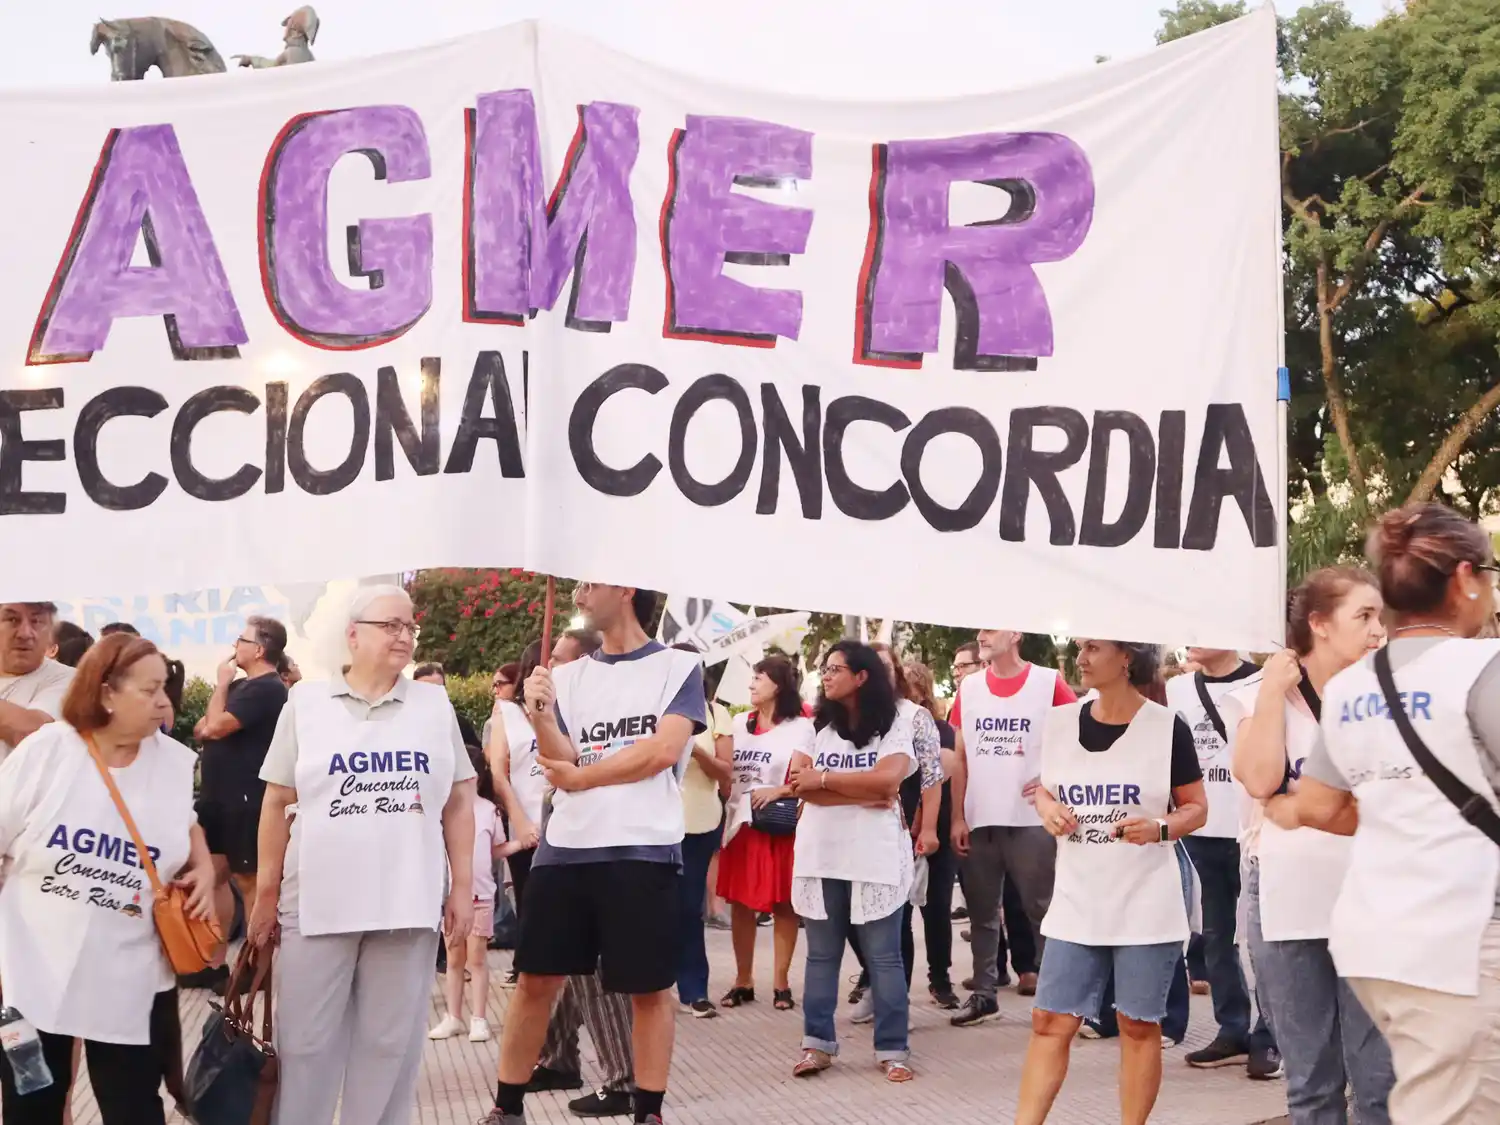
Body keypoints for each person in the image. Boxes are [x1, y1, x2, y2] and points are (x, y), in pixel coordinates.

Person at [1292, 504, 1500, 1124]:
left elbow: (1320, 803)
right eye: (1488, 572)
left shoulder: (1354, 685)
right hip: (1460, 937)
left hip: (1374, 936)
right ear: (1465, 578)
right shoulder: (1481, 667)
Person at [249, 585, 477, 1125]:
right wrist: (264, 894)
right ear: (352, 635)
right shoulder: (305, 703)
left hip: (406, 901)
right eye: (390, 625)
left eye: (409, 626)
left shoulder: (432, 704)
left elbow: (460, 800)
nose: (404, 635)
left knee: (388, 1047)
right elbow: (276, 799)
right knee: (304, 1045)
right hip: (316, 903)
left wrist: (463, 888)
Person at [485, 583, 705, 1125]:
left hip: (645, 847)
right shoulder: (564, 677)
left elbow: (662, 750)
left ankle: (647, 1110)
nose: (579, 593)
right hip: (567, 850)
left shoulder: (679, 667)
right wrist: (540, 716)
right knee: (536, 979)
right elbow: (561, 757)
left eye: (590, 583)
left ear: (625, 589)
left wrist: (584, 776)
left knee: (650, 989)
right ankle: (506, 1108)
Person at [0, 633, 216, 1125]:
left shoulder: (172, 763)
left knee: (135, 1108)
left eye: (165, 688)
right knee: (29, 1104)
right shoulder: (49, 751)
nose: (165, 704)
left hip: (130, 981)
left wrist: (201, 865)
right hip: (29, 979)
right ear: (105, 693)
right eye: (149, 690)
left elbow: (183, 822)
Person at [1015, 640, 1207, 1125]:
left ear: (1127, 658)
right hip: (1077, 899)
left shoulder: (1166, 728)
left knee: (1139, 1026)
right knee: (1049, 1021)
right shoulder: (1060, 723)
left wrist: (1159, 827)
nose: (1080, 658)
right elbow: (1044, 790)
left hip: (1146, 903)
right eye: (1080, 647)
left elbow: (1197, 809)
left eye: (1093, 648)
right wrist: (1048, 809)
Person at [1231, 567, 1395, 1125]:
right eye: (1365, 616)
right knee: (1313, 1085)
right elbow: (1259, 782)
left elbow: (1389, 805)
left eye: (1381, 616)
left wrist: (1302, 805)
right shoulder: (1259, 695)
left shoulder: (1389, 695)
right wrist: (1274, 693)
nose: (1379, 630)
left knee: (1379, 1083)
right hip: (1286, 898)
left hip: (1373, 900)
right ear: (1320, 624)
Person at [788, 640, 916, 1084]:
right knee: (822, 956)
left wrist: (825, 780)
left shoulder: (899, 721)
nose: (825, 675)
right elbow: (798, 785)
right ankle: (816, 1046)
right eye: (824, 668)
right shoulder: (815, 724)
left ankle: (893, 1050)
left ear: (861, 677)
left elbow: (889, 780)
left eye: (835, 668)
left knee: (884, 958)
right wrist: (862, 789)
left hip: (874, 854)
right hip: (821, 850)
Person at [948, 629, 1076, 1025]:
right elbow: (958, 756)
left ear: (1015, 633)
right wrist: (956, 816)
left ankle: (1062, 998)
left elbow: (1079, 734)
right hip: (980, 815)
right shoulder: (969, 687)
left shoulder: (1047, 682)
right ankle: (985, 994)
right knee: (983, 913)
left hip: (1030, 818)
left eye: (990, 628)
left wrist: (1055, 780)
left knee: (1044, 910)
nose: (981, 636)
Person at [1163, 646, 1280, 1077]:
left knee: (1263, 942)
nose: (1193, 638)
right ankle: (1231, 1029)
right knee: (1216, 938)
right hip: (1203, 831)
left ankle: (1270, 1037)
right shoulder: (1177, 689)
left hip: (1253, 829)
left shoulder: (1265, 682)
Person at [845, 643, 943, 1020]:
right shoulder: (848, 716)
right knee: (854, 917)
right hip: (850, 829)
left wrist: (929, 827)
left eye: (884, 665)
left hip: (898, 829)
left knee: (895, 919)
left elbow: (933, 776)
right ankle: (873, 980)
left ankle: (894, 1005)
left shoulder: (914, 716)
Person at [718, 655, 813, 1011]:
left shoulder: (801, 728)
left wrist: (779, 791)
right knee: (740, 905)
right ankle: (743, 980)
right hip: (739, 826)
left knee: (784, 904)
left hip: (777, 825)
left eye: (760, 677)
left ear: (779, 684)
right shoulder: (739, 723)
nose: (752, 683)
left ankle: (781, 984)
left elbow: (802, 779)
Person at [430, 743, 526, 1043]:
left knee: (478, 960)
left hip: (481, 897)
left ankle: (479, 1018)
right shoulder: (442, 811)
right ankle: (453, 1016)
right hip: (451, 900)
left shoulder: (488, 811)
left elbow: (495, 850)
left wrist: (521, 843)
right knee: (454, 960)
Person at [195, 616, 290, 909]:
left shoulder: (269, 688)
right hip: (217, 800)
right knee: (209, 878)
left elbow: (213, 728)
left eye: (242, 640)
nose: (235, 646)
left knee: (249, 883)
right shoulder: (240, 688)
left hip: (244, 801)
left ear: (259, 650)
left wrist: (222, 684)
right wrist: (224, 689)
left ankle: (256, 954)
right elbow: (201, 728)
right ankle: (217, 954)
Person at [671, 644, 732, 1019]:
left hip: (699, 822)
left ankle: (694, 990)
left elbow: (726, 772)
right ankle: (649, 986)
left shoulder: (716, 713)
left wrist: (693, 748)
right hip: (652, 825)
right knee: (650, 908)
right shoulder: (649, 710)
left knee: (687, 908)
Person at [906, 660, 962, 1008]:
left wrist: (953, 820)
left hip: (934, 825)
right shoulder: (888, 725)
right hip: (899, 824)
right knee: (893, 915)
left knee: (937, 907)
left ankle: (940, 979)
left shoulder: (941, 730)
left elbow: (949, 777)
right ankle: (876, 980)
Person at [0, 602, 74, 762]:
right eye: (12, 620)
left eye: (37, 622)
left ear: (51, 635)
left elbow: (32, 732)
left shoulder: (68, 679)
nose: (25, 633)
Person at [416, 662, 482, 749]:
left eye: (436, 689)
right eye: (424, 689)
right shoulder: (402, 722)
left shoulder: (459, 724)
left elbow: (475, 756)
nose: (430, 694)